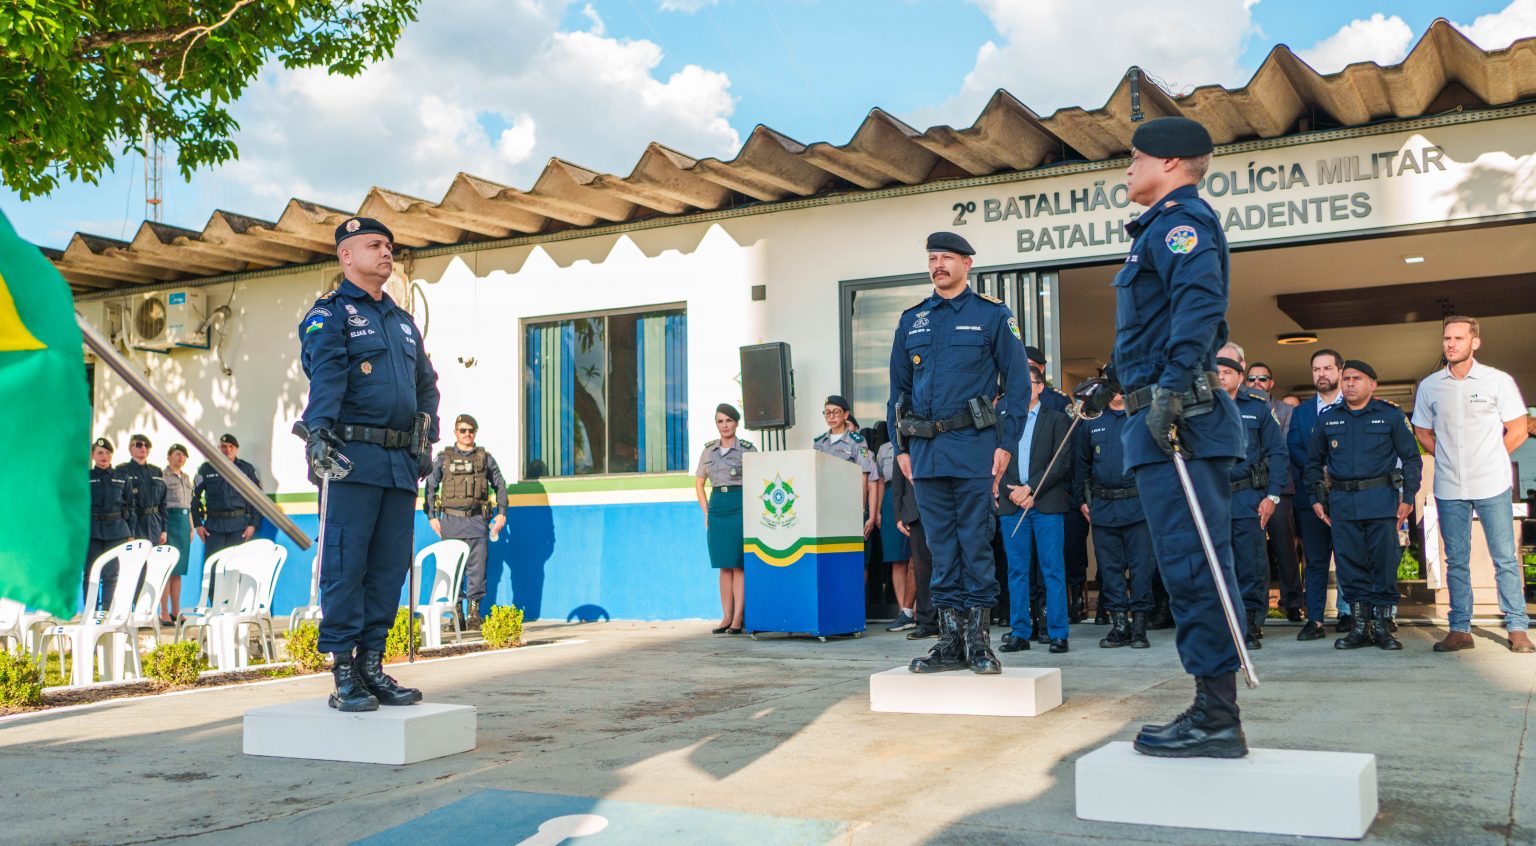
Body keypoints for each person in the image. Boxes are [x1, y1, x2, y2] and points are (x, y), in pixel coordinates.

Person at [1112, 116, 1248, 758]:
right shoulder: (1157, 229)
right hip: (1161, 420)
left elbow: (1199, 306)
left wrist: (1168, 389)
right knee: (1184, 565)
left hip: (1182, 423)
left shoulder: (1181, 224)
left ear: (1169, 162)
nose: (1127, 167)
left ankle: (1217, 716)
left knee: (1196, 567)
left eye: (1135, 157)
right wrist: (1114, 378)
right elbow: (1156, 325)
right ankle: (1211, 705)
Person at [299, 216, 441, 711]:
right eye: (375, 245)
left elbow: (427, 385)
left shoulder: (402, 321)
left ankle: (372, 665)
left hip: (399, 464)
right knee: (346, 565)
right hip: (350, 460)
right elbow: (326, 375)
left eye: (389, 246)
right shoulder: (330, 313)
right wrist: (318, 431)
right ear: (346, 255)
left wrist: (427, 436)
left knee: (388, 569)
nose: (387, 253)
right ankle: (343, 671)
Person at [888, 231, 1029, 675]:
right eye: (932, 258)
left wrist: (1007, 443)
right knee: (939, 548)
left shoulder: (992, 315)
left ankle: (979, 642)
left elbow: (1018, 385)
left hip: (974, 448)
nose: (938, 265)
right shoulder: (912, 320)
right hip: (926, 452)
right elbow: (898, 392)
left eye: (946, 257)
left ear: (967, 263)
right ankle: (949, 640)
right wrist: (901, 448)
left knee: (975, 544)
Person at [1412, 316, 1532, 654]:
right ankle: (1460, 629)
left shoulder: (1497, 381)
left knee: (1504, 557)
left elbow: (1518, 429)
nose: (1450, 344)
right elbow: (1422, 432)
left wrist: (1489, 458)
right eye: (1447, 338)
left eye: (1458, 338)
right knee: (1456, 560)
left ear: (1474, 342)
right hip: (1449, 485)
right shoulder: (1431, 386)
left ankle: (1517, 628)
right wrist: (1448, 457)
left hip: (1492, 483)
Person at [1307, 360, 1422, 650]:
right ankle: (1359, 627)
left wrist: (1408, 497)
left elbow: (1411, 458)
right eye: (1346, 378)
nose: (1349, 383)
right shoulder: (1328, 419)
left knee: (1383, 564)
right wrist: (1316, 498)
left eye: (1356, 378)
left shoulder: (1390, 415)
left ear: (1372, 384)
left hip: (1381, 501)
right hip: (1343, 503)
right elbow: (1312, 463)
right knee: (1350, 566)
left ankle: (1382, 627)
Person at [1075, 370, 1155, 649]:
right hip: (1103, 505)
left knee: (1142, 568)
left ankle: (1140, 626)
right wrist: (1082, 500)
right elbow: (1081, 464)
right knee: (1110, 570)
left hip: (1138, 504)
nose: (1118, 392)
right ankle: (1119, 625)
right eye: (1113, 386)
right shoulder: (1092, 419)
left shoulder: (1143, 417)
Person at [997, 368, 1074, 653]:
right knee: (1016, 571)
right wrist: (1013, 491)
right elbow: (992, 460)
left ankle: (1058, 633)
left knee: (1052, 569)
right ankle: (1020, 632)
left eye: (1027, 383)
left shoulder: (1057, 419)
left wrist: (1031, 488)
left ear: (1041, 387)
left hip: (1046, 503)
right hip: (1012, 504)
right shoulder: (1002, 421)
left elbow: (1061, 461)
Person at [1217, 356, 1287, 649]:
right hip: (1214, 499)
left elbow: (1278, 453)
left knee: (1251, 564)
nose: (1221, 377)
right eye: (1216, 372)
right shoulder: (1201, 409)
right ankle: (1224, 624)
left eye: (1227, 372)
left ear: (1240, 377)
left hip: (1248, 498)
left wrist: (1272, 496)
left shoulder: (1258, 408)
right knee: (1218, 565)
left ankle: (1250, 623)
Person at [424, 413, 509, 629]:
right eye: (463, 430)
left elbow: (500, 485)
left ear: (475, 432)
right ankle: (457, 615)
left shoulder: (485, 459)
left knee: (477, 570)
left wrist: (502, 512)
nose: (467, 434)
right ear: (455, 432)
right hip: (451, 522)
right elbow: (430, 487)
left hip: (477, 521)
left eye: (471, 430)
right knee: (452, 570)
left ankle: (474, 615)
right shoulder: (444, 459)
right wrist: (432, 516)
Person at [1027, 345, 1090, 623]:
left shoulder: (1057, 401)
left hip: (1057, 489)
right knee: (1028, 560)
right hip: (1022, 493)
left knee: (1066, 553)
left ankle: (1073, 605)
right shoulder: (1010, 402)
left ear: (1041, 370)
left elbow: (1069, 450)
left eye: (1031, 366)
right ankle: (1033, 613)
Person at [1288, 348, 1348, 640]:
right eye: (1316, 369)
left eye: (1327, 368)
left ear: (1340, 371)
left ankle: (1349, 614)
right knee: (1314, 561)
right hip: (1310, 497)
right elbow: (1294, 447)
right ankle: (1315, 620)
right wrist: (1319, 469)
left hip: (1347, 495)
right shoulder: (1300, 412)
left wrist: (1333, 470)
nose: (1321, 374)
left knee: (1349, 557)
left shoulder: (1352, 405)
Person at [1247, 361, 1303, 622]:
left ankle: (1292, 602)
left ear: (1271, 383)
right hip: (1248, 487)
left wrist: (1257, 459)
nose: (1257, 383)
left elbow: (1284, 447)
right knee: (1252, 548)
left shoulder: (1286, 410)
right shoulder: (1239, 407)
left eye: (1262, 378)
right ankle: (1254, 606)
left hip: (1279, 485)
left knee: (1284, 546)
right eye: (1252, 379)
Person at [693, 403, 756, 635]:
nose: (725, 425)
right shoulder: (708, 451)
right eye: (720, 421)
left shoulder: (747, 450)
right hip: (718, 508)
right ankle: (726, 617)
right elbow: (699, 483)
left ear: (736, 423)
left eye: (729, 420)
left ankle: (738, 618)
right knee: (723, 565)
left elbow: (758, 480)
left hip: (739, 507)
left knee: (738, 564)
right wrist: (707, 512)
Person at [192, 433, 262, 596]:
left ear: (236, 449)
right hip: (213, 527)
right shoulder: (206, 468)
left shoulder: (246, 469)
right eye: (224, 446)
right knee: (213, 567)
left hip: (238, 526)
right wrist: (197, 524)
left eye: (231, 446)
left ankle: (235, 604)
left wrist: (253, 524)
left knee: (237, 567)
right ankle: (214, 605)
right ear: (219, 448)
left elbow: (257, 497)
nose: (227, 449)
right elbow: (194, 497)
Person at [814, 395, 879, 540]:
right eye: (827, 413)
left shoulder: (857, 442)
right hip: (825, 506)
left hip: (849, 504)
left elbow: (863, 476)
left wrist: (861, 508)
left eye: (836, 412)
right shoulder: (819, 443)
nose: (831, 417)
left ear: (845, 414)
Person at [889, 451, 937, 639]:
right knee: (921, 568)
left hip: (945, 506)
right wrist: (899, 515)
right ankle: (928, 623)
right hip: (915, 511)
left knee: (949, 563)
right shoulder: (904, 441)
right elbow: (898, 480)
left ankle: (952, 619)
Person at [875, 421, 917, 631]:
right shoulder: (884, 449)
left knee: (916, 557)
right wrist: (877, 511)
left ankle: (917, 609)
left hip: (915, 494)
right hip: (892, 498)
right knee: (896, 558)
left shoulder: (916, 443)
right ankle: (903, 610)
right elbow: (881, 481)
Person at [87, 437, 132, 609]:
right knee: (91, 573)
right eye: (100, 453)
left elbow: (131, 507)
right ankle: (90, 611)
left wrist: (131, 533)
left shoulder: (122, 477)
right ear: (93, 455)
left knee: (111, 575)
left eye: (107, 453)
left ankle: (106, 612)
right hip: (92, 531)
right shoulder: (86, 477)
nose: (104, 456)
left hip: (116, 532)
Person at [162, 444, 195, 625]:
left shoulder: (186, 478)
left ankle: (176, 611)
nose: (181, 457)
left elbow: (188, 505)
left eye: (183, 455)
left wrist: (191, 527)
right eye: (177, 454)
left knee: (178, 571)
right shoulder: (163, 477)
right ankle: (164, 612)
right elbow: (161, 504)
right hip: (170, 521)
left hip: (183, 523)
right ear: (169, 457)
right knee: (167, 569)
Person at [118, 433, 167, 547]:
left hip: (155, 525)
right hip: (134, 525)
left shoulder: (156, 472)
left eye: (147, 445)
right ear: (130, 448)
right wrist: (128, 532)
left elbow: (163, 503)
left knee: (154, 557)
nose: (143, 448)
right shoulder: (122, 471)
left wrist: (164, 529)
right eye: (139, 445)